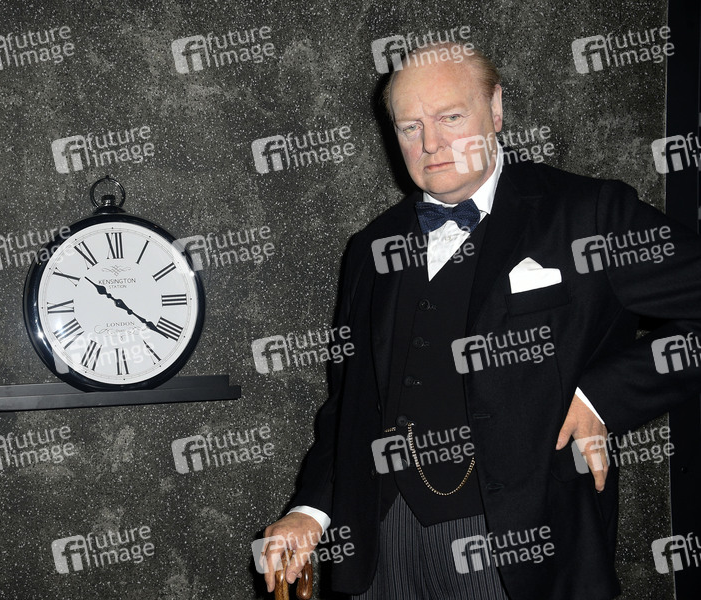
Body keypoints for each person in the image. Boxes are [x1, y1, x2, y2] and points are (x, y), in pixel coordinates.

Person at [259, 41, 701, 599]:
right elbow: (349, 404)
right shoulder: (372, 246)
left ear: (495, 109)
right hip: (382, 544)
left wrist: (600, 398)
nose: (431, 144)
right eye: (410, 126)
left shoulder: (587, 212)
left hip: (522, 548)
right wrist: (310, 510)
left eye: (450, 117)